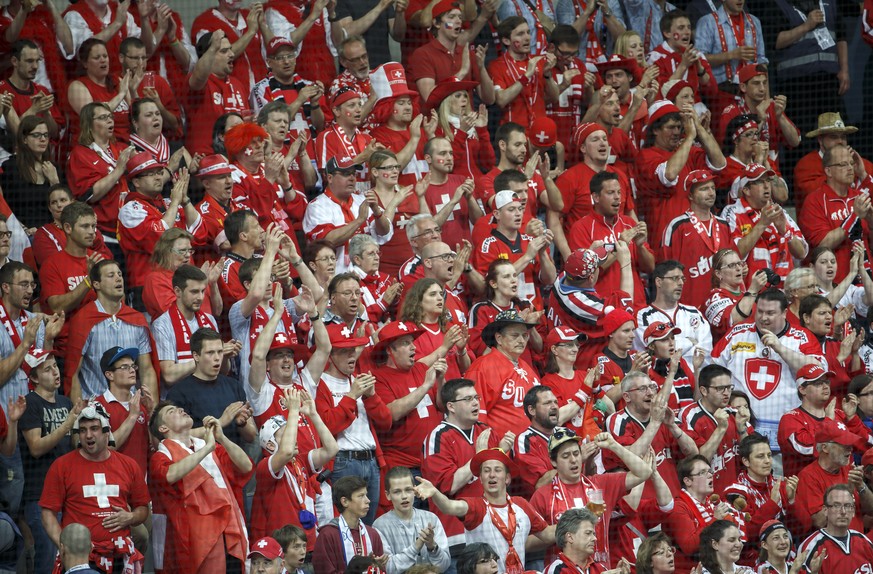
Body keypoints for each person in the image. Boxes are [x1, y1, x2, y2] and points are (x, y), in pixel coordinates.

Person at [40, 403, 150, 573]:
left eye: (94, 428)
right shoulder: (61, 466)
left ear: (107, 432)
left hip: (120, 556)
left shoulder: (129, 465)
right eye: (83, 430)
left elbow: (143, 508)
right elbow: (48, 514)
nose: (88, 435)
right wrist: (68, 547)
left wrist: (131, 517)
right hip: (81, 561)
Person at [148, 401, 252, 573]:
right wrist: (208, 448)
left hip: (226, 526)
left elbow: (245, 466)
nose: (181, 410)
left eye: (179, 408)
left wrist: (221, 438)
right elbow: (170, 475)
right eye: (172, 411)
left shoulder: (206, 446)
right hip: (192, 538)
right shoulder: (160, 455)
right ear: (163, 429)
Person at [414, 448, 554, 573]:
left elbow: (548, 534)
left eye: (497, 470)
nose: (491, 475)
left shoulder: (521, 504)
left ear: (507, 478)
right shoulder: (476, 507)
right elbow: (449, 506)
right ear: (480, 479)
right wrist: (435, 492)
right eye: (486, 471)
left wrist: (574, 521)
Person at [711, 288, 816, 452]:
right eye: (759, 311)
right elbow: (712, 370)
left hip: (785, 434)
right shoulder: (738, 333)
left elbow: (816, 371)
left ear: (784, 313)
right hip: (739, 431)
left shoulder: (802, 337)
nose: (763, 318)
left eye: (770, 313)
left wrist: (780, 348)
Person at [530, 427, 652, 566]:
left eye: (576, 453)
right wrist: (575, 523)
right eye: (565, 456)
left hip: (600, 568)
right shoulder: (542, 495)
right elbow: (526, 543)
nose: (573, 460)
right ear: (553, 462)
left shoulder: (600, 484)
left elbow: (644, 472)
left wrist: (614, 446)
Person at [420, 378, 510, 559]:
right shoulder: (438, 437)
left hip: (492, 531)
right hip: (456, 537)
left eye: (476, 397)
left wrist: (501, 452)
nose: (476, 402)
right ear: (451, 407)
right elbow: (447, 486)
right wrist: (479, 457)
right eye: (468, 399)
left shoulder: (487, 431)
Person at [315, 323, 392, 525]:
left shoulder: (358, 379)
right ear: (330, 354)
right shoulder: (319, 383)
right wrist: (351, 396)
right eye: (344, 351)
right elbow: (328, 426)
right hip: (343, 461)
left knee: (367, 526)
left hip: (371, 460)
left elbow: (386, 422)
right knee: (346, 526)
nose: (351, 356)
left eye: (353, 350)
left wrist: (372, 397)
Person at [250, 387, 338, 544]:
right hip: (284, 548)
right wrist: (294, 411)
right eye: (287, 436)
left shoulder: (300, 461)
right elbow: (286, 452)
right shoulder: (265, 467)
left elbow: (332, 449)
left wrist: (313, 415)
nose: (294, 439)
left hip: (309, 541)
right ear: (270, 446)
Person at [635, 99, 725, 252]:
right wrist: (690, 137)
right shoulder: (645, 156)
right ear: (655, 130)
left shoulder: (687, 151)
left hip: (699, 237)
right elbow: (669, 174)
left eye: (678, 127)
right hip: (667, 241)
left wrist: (699, 129)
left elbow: (719, 163)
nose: (676, 132)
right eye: (670, 127)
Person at [19, 349, 81, 574]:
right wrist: (67, 423)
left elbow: (73, 446)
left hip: (69, 494)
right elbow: (36, 447)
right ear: (34, 378)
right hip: (40, 495)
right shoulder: (30, 404)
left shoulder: (65, 402)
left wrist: (82, 428)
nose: (55, 372)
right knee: (47, 559)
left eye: (55, 366)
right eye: (47, 369)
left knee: (70, 560)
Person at [65, 260, 157, 403]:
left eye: (119, 274)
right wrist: (79, 416)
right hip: (94, 410)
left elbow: (147, 370)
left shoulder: (137, 319)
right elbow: (73, 373)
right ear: (96, 284)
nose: (118, 278)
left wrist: (152, 412)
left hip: (130, 407)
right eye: (111, 275)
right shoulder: (83, 320)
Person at [118, 153, 204, 299]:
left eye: (159, 172)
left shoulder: (169, 203)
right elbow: (159, 239)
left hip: (184, 283)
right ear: (136, 182)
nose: (158, 177)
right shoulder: (130, 209)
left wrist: (185, 201)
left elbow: (200, 233)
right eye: (151, 174)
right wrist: (176, 203)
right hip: (148, 285)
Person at [371, 321, 445, 489]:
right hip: (403, 468)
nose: (413, 347)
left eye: (412, 342)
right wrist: (425, 385)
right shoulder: (379, 378)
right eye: (405, 343)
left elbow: (440, 406)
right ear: (390, 350)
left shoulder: (420, 369)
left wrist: (440, 381)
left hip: (432, 463)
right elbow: (392, 412)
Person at [607, 370, 698, 496]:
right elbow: (631, 459)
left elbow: (693, 453)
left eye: (652, 387)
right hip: (642, 504)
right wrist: (655, 422)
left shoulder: (664, 416)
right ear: (627, 396)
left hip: (674, 498)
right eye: (643, 389)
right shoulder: (618, 420)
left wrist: (672, 426)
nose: (650, 393)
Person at [569, 171, 653, 306]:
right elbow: (585, 274)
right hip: (603, 308)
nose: (617, 198)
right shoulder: (581, 228)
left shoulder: (629, 223)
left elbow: (649, 267)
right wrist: (620, 245)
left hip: (636, 305)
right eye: (611, 193)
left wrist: (640, 246)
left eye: (619, 192)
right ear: (596, 197)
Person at [166, 328, 256, 447]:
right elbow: (175, 438)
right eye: (210, 353)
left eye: (220, 352)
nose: (217, 357)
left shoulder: (234, 386)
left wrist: (242, 424)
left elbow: (251, 437)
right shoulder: (179, 393)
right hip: (203, 461)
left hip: (235, 460)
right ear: (196, 356)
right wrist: (220, 422)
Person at [303, 156, 393, 273]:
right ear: (330, 178)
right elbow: (327, 241)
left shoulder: (362, 200)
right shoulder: (317, 206)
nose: (352, 178)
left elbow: (385, 232)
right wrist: (359, 220)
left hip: (366, 277)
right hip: (335, 278)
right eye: (345, 174)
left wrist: (377, 212)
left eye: (353, 174)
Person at [38, 201, 104, 361]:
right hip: (68, 350)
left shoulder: (101, 259)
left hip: (103, 345)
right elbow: (57, 306)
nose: (91, 232)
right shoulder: (52, 264)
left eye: (93, 226)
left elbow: (117, 303)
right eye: (85, 226)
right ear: (68, 228)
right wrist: (89, 280)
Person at [800, 143, 873, 285]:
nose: (850, 168)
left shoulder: (859, 197)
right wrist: (854, 217)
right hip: (834, 285)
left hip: (865, 282)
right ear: (828, 171)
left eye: (851, 163)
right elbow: (823, 244)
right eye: (843, 164)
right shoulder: (814, 201)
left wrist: (871, 222)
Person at [722, 163, 808, 283]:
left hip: (783, 290)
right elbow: (734, 255)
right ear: (746, 190)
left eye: (768, 181)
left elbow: (801, 253)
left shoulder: (779, 211)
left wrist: (785, 231)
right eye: (760, 182)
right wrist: (762, 224)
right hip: (751, 292)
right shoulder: (732, 212)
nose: (767, 186)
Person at [65, 102, 136, 247]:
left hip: (129, 228)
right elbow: (88, 194)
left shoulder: (120, 148)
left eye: (110, 116)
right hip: (105, 234)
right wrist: (118, 171)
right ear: (89, 124)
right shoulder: (80, 154)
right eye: (103, 117)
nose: (110, 120)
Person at [471, 190, 556, 309]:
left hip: (535, 313)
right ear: (497, 214)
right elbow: (488, 285)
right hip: (504, 317)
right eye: (511, 210)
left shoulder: (530, 241)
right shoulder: (488, 246)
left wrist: (542, 254)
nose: (518, 214)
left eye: (520, 209)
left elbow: (550, 279)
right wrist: (527, 257)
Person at [661, 170, 734, 309]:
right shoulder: (678, 226)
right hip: (688, 307)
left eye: (713, 188)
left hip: (722, 306)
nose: (711, 193)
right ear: (690, 195)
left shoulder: (724, 225)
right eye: (704, 189)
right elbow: (666, 270)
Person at [662, 455, 747, 572]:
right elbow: (689, 546)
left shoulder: (712, 503)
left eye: (709, 471)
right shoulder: (678, 507)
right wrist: (714, 520)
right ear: (687, 481)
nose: (710, 475)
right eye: (702, 472)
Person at [465, 309, 541, 439]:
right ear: (499, 338)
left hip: (531, 450)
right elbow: (476, 417)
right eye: (515, 335)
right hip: (500, 451)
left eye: (524, 335)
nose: (521, 340)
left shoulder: (528, 369)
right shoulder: (483, 366)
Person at [717, 65, 800, 175]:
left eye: (764, 83)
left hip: (771, 173)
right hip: (740, 174)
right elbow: (725, 151)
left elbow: (795, 141)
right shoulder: (730, 113)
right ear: (743, 87)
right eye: (756, 83)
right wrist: (759, 121)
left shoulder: (772, 108)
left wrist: (780, 116)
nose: (762, 89)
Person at [724, 434, 797, 559]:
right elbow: (747, 534)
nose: (767, 461)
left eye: (769, 455)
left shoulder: (780, 484)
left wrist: (791, 500)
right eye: (760, 456)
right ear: (746, 461)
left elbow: (799, 528)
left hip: (785, 555)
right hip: (753, 560)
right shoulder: (735, 492)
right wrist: (772, 504)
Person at [793, 419, 871, 534]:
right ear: (825, 448)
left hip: (856, 544)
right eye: (844, 444)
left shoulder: (849, 469)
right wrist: (848, 491)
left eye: (850, 444)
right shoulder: (808, 476)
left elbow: (871, 510)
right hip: (831, 546)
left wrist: (861, 486)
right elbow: (819, 521)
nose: (850, 448)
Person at [408, 1, 495, 102]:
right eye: (451, 17)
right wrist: (461, 73)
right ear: (436, 23)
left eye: (460, 17)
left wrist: (481, 68)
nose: (458, 21)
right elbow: (429, 97)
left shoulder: (466, 54)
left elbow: (489, 99)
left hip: (466, 117)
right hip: (438, 117)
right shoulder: (423, 54)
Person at [151, 265, 222, 388]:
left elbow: (224, 371)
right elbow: (169, 376)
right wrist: (204, 361)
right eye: (194, 292)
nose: (200, 297)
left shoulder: (209, 320)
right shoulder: (162, 325)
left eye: (203, 291)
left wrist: (225, 355)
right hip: (179, 400)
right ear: (178, 291)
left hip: (210, 391)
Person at [373, 466, 452, 573]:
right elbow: (388, 568)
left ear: (415, 490)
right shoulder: (380, 525)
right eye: (397, 492)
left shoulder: (431, 518)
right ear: (388, 495)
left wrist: (432, 546)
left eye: (408, 490)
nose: (404, 496)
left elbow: (444, 565)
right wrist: (416, 546)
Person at [632, 260, 712, 364]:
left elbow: (706, 351)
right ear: (659, 282)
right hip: (659, 378)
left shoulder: (694, 313)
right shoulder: (642, 316)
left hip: (694, 377)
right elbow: (652, 352)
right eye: (675, 278)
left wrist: (668, 347)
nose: (681, 283)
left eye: (682, 279)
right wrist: (690, 342)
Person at [185, 31, 249, 156]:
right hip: (206, 160)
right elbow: (197, 79)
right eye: (224, 51)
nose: (231, 54)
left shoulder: (238, 84)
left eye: (230, 50)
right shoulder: (197, 81)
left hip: (236, 159)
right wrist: (213, 47)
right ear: (208, 55)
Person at [794, 113, 873, 214]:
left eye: (843, 137)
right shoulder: (806, 164)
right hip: (824, 226)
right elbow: (810, 195)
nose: (840, 141)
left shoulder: (863, 164)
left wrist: (863, 175)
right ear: (820, 140)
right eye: (833, 137)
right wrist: (840, 168)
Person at [488, 17, 559, 129]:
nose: (527, 37)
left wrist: (547, 75)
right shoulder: (497, 65)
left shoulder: (539, 61)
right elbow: (501, 100)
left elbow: (555, 98)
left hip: (539, 131)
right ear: (506, 40)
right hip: (513, 134)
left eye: (528, 32)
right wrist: (526, 76)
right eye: (520, 34)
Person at [680, 364, 742, 493]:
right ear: (703, 390)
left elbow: (750, 454)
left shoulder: (734, 412)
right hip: (706, 495)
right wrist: (721, 429)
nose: (726, 393)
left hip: (735, 491)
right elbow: (698, 462)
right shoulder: (689, 415)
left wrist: (742, 430)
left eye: (729, 387)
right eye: (720, 388)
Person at [94, 346, 153, 480]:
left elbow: (154, 446)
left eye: (133, 366)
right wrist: (132, 416)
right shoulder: (97, 406)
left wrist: (151, 413)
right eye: (124, 367)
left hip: (141, 485)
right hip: (113, 484)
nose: (132, 370)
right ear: (109, 375)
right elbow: (104, 448)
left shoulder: (142, 405)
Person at [142, 229, 224, 324]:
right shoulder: (155, 279)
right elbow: (177, 315)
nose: (188, 255)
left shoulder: (195, 275)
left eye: (190, 250)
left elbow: (217, 311)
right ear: (166, 252)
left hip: (205, 332)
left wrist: (212, 284)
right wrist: (199, 284)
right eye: (182, 251)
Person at [312, 476, 389, 574]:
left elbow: (381, 570)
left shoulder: (372, 534)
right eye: (361, 496)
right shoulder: (327, 535)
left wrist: (378, 567)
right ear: (345, 501)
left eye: (366, 495)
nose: (368, 500)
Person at [192, 0, 271, 91]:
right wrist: (251, 32)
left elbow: (274, 50)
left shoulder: (250, 16)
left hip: (263, 91)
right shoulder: (204, 22)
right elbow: (212, 58)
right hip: (230, 92)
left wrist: (262, 24)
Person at [66, 38, 132, 144]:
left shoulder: (117, 81)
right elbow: (93, 117)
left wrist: (133, 91)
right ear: (85, 63)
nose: (103, 60)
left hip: (127, 142)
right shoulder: (77, 87)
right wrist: (121, 94)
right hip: (96, 147)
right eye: (97, 58)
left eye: (105, 56)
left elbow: (134, 115)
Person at [428, 80, 495, 184]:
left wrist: (482, 131)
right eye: (458, 96)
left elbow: (488, 164)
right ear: (447, 101)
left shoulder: (472, 126)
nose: (464, 99)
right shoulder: (439, 128)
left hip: (478, 187)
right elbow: (446, 163)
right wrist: (462, 132)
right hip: (455, 187)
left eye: (465, 96)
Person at [0, 116, 60, 230]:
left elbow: (64, 208)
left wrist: (55, 182)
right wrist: (23, 229)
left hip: (52, 231)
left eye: (45, 135)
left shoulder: (54, 168)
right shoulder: (10, 168)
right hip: (20, 232)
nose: (43, 139)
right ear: (24, 139)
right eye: (36, 135)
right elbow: (5, 207)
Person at [0, 38, 66, 142]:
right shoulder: (2, 90)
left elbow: (54, 134)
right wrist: (34, 110)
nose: (35, 66)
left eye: (37, 61)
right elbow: (9, 136)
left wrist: (46, 114)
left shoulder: (42, 91)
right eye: (29, 61)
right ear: (14, 61)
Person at [797, 484, 873, 573]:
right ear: (825, 510)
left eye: (847, 506)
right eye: (836, 506)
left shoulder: (864, 542)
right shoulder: (811, 547)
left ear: (853, 511)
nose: (843, 512)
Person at [694, 0, 766, 89]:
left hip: (751, 90)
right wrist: (731, 55)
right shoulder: (707, 22)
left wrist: (766, 99)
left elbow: (762, 61)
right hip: (720, 91)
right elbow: (699, 60)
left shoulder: (754, 22)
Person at [702, 249, 768, 341]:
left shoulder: (747, 296)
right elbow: (733, 321)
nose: (738, 268)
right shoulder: (714, 298)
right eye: (731, 265)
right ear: (718, 273)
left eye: (739, 264)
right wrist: (753, 290)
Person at [330, 0, 406, 68]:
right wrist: (380, 6)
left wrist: (399, 13)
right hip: (354, 69)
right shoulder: (340, 1)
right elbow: (346, 34)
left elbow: (398, 36)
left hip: (382, 68)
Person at [546, 508, 618, 573]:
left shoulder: (600, 568)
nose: (594, 539)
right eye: (588, 533)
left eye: (594, 534)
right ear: (570, 537)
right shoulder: (556, 570)